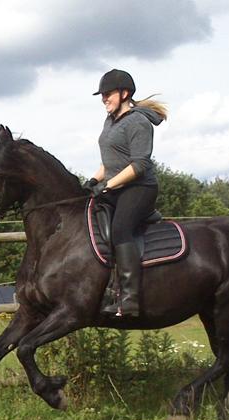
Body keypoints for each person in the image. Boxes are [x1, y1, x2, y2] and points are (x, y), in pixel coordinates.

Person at [84, 68, 168, 317]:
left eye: (107, 94)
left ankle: (129, 299)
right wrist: (93, 180)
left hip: (139, 188)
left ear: (124, 93)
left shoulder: (139, 122)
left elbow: (139, 165)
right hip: (115, 187)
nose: (104, 99)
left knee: (120, 229)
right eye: (102, 95)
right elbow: (109, 161)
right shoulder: (110, 121)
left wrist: (108, 185)